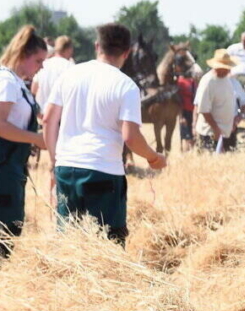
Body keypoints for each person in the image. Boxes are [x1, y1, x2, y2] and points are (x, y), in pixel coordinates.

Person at [43, 23, 166, 245]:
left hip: (66, 168)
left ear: (97, 45)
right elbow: (131, 137)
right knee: (108, 245)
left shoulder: (70, 74)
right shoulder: (126, 86)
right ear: (127, 53)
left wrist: (54, 161)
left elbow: (48, 119)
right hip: (104, 172)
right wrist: (153, 157)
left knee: (68, 245)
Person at [0, 26, 48, 257]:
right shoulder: (7, 82)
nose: (41, 67)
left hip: (12, 167)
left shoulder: (17, 82)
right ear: (22, 55)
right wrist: (36, 138)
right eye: (38, 61)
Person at [195, 49, 245, 152]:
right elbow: (204, 110)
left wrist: (234, 121)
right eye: (225, 68)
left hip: (226, 133)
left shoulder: (227, 79)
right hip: (209, 134)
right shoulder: (208, 81)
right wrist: (216, 130)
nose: (228, 70)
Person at [31, 35, 74, 117]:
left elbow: (34, 89)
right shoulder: (70, 67)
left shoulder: (43, 64)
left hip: (40, 116)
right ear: (69, 49)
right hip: (60, 117)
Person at [176, 68, 197, 148]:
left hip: (193, 110)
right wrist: (181, 116)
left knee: (193, 134)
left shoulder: (192, 81)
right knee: (186, 135)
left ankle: (192, 151)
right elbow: (179, 99)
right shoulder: (180, 82)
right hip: (184, 111)